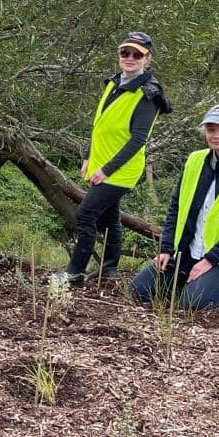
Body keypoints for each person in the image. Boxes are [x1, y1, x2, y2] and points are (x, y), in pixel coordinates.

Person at [129, 104, 219, 309]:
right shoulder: (195, 160)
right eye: (211, 129)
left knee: (192, 305)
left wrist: (209, 260)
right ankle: (186, 280)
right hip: (187, 248)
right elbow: (176, 208)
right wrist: (166, 248)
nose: (217, 135)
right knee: (136, 291)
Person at [58, 31, 171, 285]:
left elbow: (137, 140)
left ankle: (74, 273)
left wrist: (107, 170)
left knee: (86, 215)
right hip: (102, 164)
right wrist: (88, 156)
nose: (130, 58)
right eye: (125, 52)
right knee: (109, 216)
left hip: (121, 170)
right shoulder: (114, 82)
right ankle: (109, 270)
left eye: (137, 54)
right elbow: (100, 125)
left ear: (147, 58)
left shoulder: (148, 94)